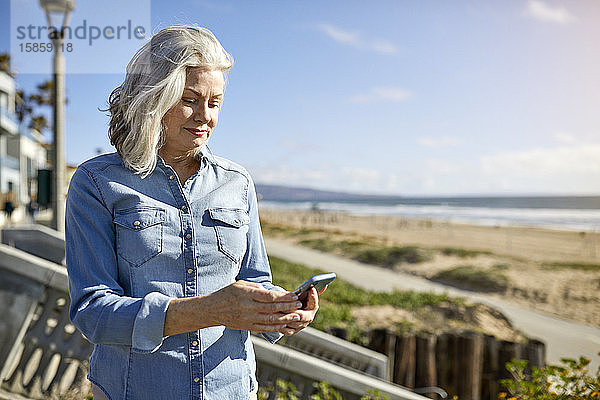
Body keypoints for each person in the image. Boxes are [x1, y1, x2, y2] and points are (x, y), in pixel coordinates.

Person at [65, 26, 321, 400]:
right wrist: (208, 310)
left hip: (233, 390)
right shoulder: (96, 183)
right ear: (154, 98)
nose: (205, 117)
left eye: (215, 103)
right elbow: (93, 310)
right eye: (190, 99)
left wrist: (279, 310)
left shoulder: (237, 182)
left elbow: (254, 278)